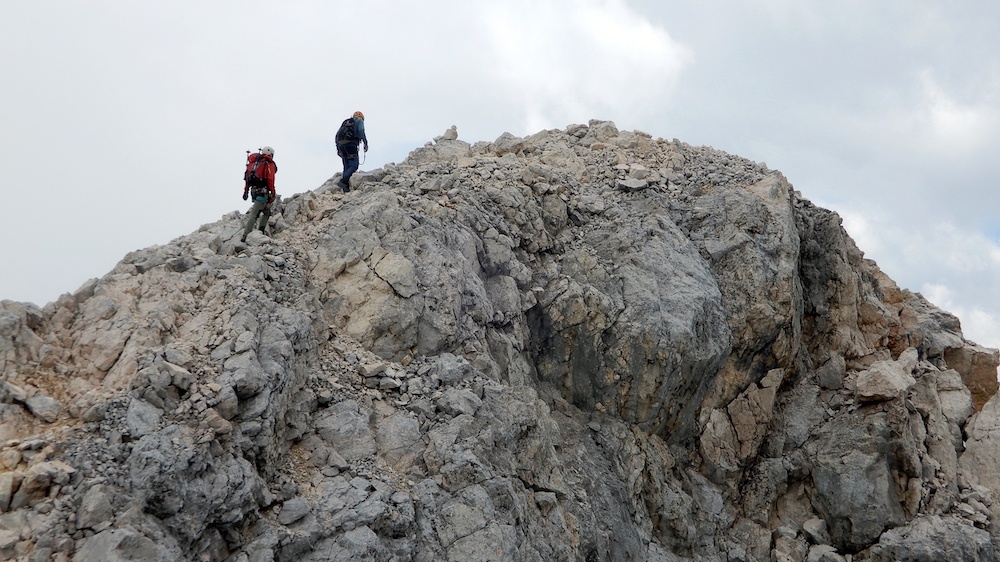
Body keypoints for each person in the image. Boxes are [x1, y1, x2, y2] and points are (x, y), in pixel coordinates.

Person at [241, 146, 277, 243]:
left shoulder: (253, 164)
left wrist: (245, 192)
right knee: (254, 214)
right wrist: (273, 192)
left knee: (266, 212)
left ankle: (258, 231)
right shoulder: (268, 163)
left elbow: (247, 179)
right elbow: (270, 179)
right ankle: (246, 234)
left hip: (253, 191)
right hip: (262, 192)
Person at [335, 111, 369, 192]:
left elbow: (337, 135)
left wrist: (338, 148)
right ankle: (343, 181)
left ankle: (345, 187)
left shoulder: (346, 122)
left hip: (341, 145)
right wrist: (365, 143)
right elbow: (361, 130)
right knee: (354, 165)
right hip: (351, 144)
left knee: (346, 166)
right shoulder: (359, 121)